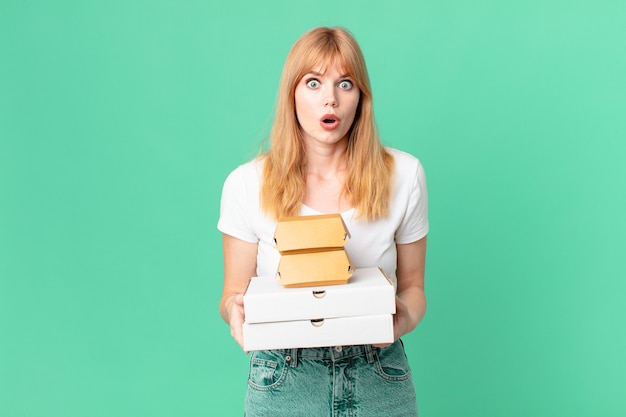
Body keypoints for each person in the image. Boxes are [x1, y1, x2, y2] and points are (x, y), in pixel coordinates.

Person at [218, 26, 428, 416]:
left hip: (378, 371)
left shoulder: (404, 174)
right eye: (313, 82)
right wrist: (236, 311)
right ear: (292, 94)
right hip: (283, 375)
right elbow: (232, 292)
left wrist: (401, 318)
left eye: (344, 83)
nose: (329, 99)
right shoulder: (246, 184)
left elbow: (414, 287)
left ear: (361, 97)